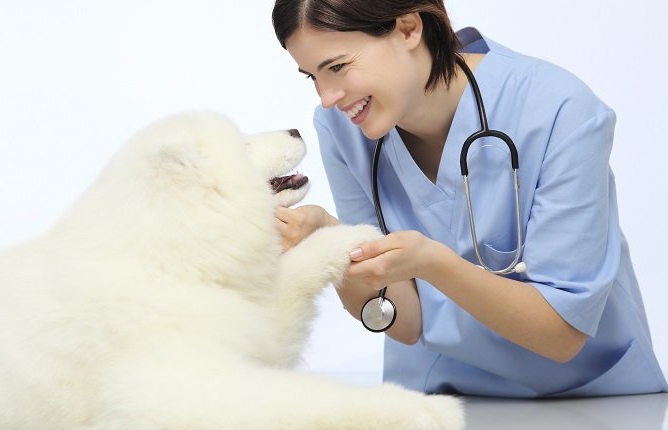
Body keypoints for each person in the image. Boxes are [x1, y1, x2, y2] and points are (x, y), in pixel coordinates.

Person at [271, 0, 667, 397]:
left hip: (592, 397)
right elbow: (404, 322)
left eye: (337, 67)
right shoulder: (341, 129)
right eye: (312, 77)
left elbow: (561, 335)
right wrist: (330, 241)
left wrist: (432, 263)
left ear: (408, 28)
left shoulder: (558, 109)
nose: (327, 97)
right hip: (446, 400)